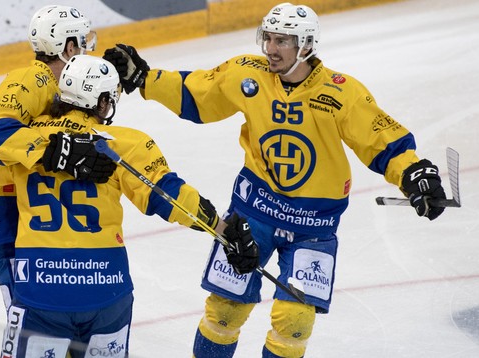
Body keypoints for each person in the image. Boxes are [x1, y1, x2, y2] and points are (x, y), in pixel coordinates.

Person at [102, 2, 448, 357]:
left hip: (313, 223)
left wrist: (413, 174)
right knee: (224, 310)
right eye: (268, 38)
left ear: (306, 46)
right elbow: (198, 92)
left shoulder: (342, 93)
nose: (270, 48)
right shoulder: (247, 74)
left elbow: (382, 142)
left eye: (282, 41)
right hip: (253, 214)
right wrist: (144, 79)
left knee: (295, 321)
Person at [0, 55, 260, 358]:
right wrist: (222, 229)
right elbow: (168, 196)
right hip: (108, 291)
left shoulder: (25, 143)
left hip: (42, 291)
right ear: (102, 102)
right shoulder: (124, 143)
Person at [0, 4, 114, 313]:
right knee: (31, 317)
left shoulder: (65, 83)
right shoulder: (29, 79)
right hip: (4, 216)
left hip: (34, 214)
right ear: (68, 47)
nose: (88, 47)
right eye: (82, 40)